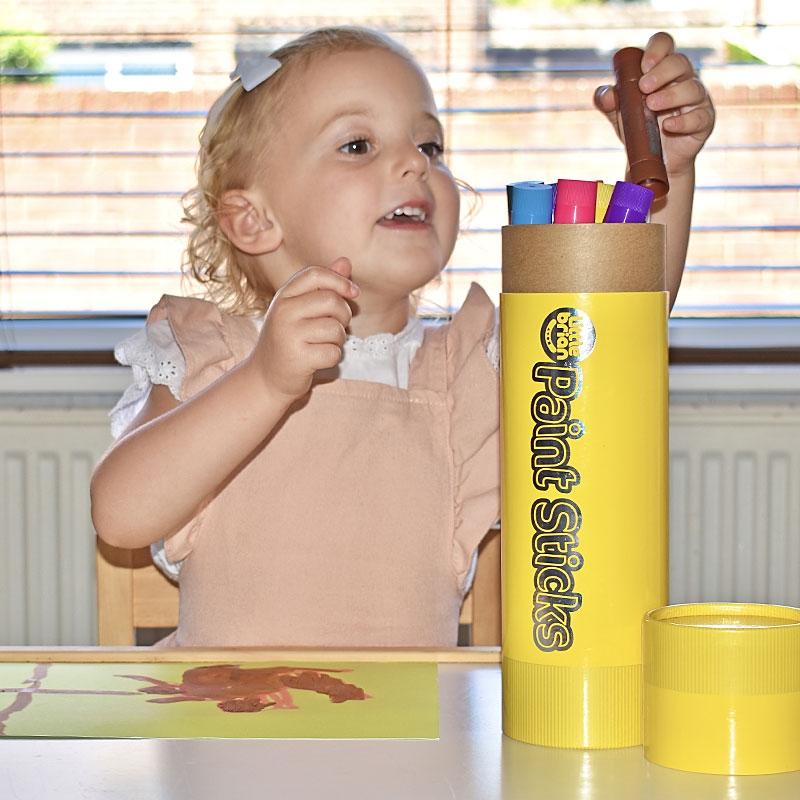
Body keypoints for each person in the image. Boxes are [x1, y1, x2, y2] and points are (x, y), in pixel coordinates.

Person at [90, 26, 715, 647]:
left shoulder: (467, 371)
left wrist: (671, 170)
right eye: (358, 144)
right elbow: (120, 515)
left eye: (431, 144)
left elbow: (616, 331)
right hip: (227, 732)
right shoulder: (213, 358)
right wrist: (265, 381)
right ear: (254, 220)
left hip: (412, 741)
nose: (416, 161)